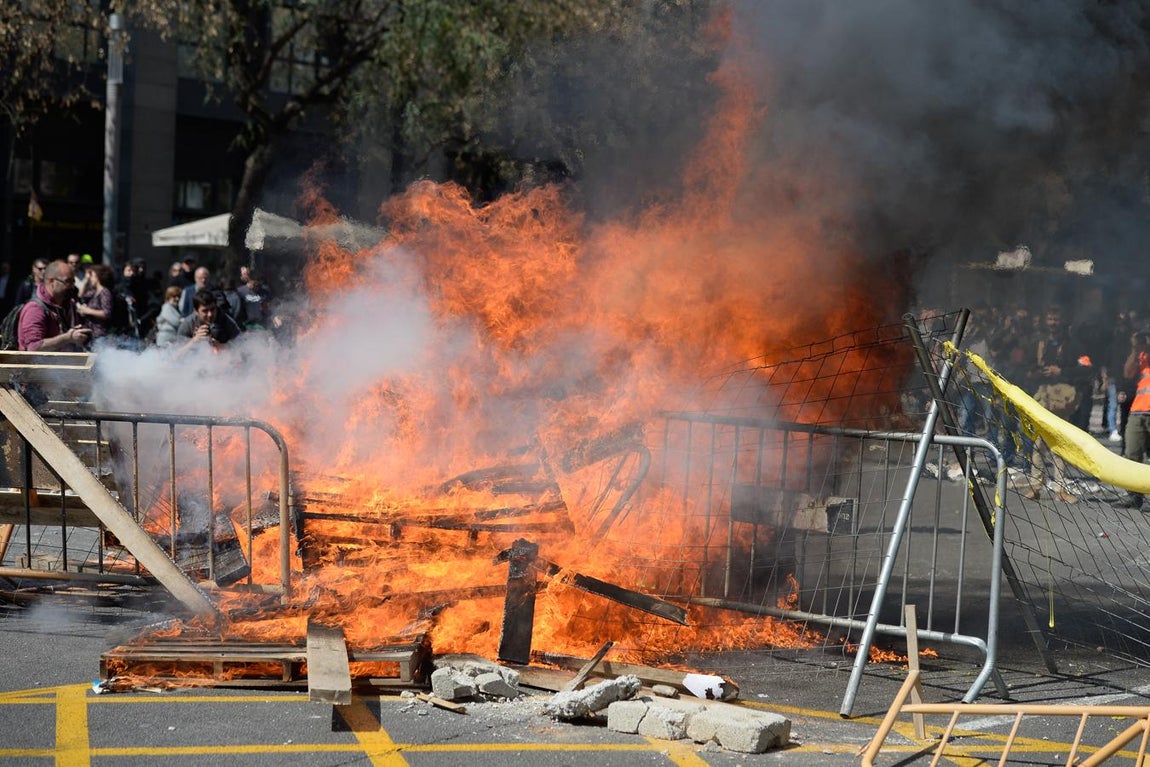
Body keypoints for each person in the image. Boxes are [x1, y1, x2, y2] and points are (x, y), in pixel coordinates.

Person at [17, 259, 90, 351]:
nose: (72, 286)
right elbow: (33, 347)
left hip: (65, 364)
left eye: (73, 282)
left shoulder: (69, 304)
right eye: (67, 281)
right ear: (52, 281)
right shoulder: (35, 308)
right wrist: (68, 337)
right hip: (40, 365)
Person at [1117, 329, 1150, 509]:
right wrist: (1136, 349)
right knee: (1132, 455)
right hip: (1138, 411)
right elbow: (1128, 373)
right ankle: (1134, 496)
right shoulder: (1142, 355)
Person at [175, 290, 241, 354]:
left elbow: (241, 348)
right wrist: (194, 340)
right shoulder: (188, 324)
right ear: (196, 311)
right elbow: (176, 355)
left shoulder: (226, 321)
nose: (210, 314)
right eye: (205, 311)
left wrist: (221, 346)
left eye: (212, 309)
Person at [75, 263, 115, 340]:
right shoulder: (93, 292)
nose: (91, 279)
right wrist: (86, 280)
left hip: (100, 334)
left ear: (98, 277)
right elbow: (80, 297)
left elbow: (107, 313)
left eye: (92, 276)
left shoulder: (105, 292)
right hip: (91, 333)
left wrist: (88, 311)